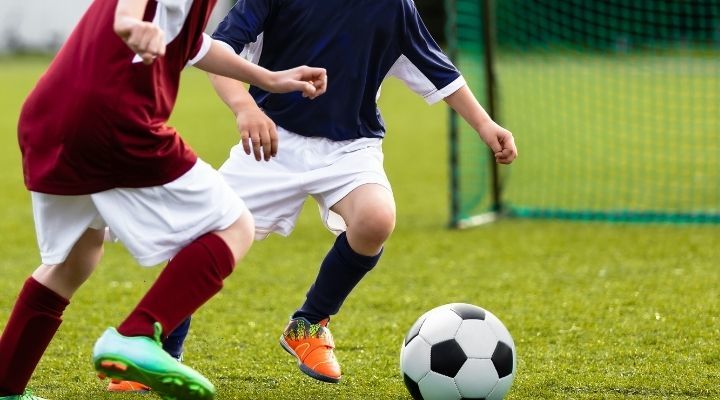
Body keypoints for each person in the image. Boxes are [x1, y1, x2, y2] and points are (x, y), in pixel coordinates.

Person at [117, 0, 518, 388]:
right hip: (272, 141)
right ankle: (162, 351)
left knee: (376, 218)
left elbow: (439, 72)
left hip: (350, 148)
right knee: (199, 236)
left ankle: (309, 323)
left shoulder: (395, 6)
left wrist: (486, 126)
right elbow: (218, 51)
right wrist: (245, 107)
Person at [0, 0, 327, 398]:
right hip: (113, 118)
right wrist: (128, 21)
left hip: (51, 114)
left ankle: (4, 384)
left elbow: (193, 45)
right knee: (234, 225)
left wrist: (270, 79)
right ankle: (138, 334)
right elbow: (132, 12)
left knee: (75, 258)